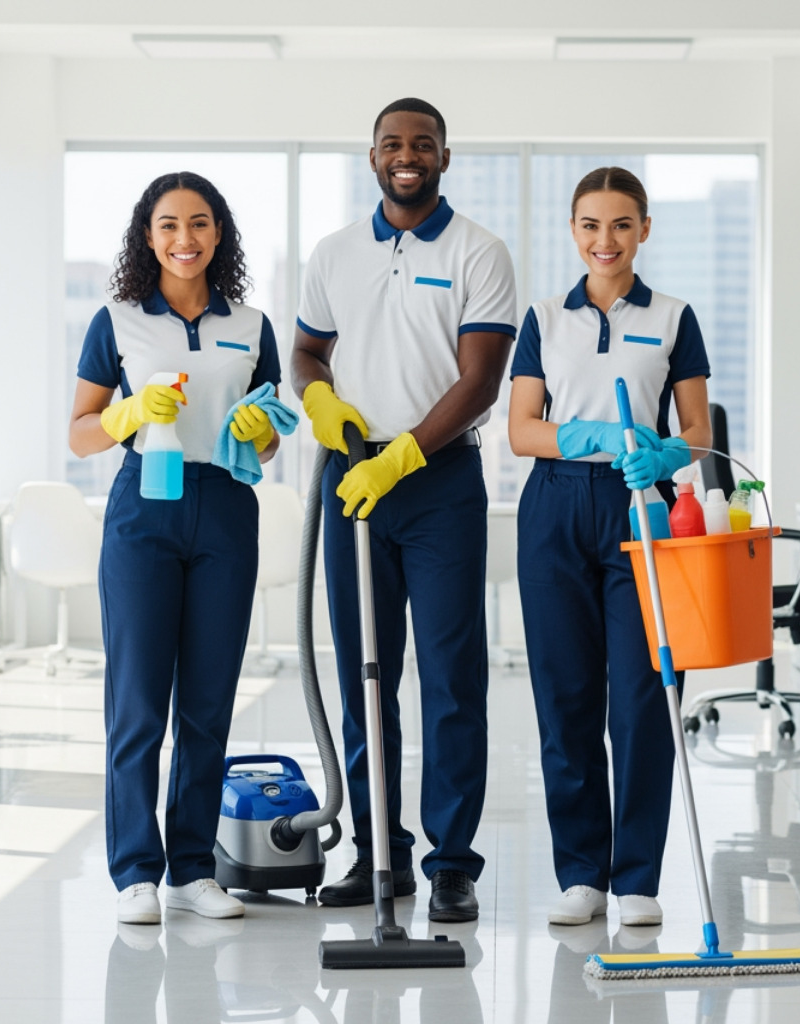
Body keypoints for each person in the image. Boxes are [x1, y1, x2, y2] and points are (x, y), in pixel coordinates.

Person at [291, 98, 517, 922]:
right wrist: (320, 402)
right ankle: (378, 853)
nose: (407, 155)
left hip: (440, 484)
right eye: (393, 143)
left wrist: (405, 455)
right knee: (364, 674)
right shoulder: (336, 252)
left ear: (445, 158)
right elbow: (307, 350)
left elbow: (481, 380)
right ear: (373, 156)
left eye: (422, 144)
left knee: (452, 678)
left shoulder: (478, 252)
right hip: (352, 479)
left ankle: (452, 862)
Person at [70, 172, 286, 924]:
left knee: (207, 701)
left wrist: (262, 430)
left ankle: (194, 868)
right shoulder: (118, 319)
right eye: (168, 226)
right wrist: (127, 413)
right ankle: (136, 868)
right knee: (137, 701)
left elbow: (268, 424)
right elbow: (79, 430)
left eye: (198, 224)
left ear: (219, 232)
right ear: (147, 235)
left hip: (226, 507)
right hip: (145, 508)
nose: (184, 239)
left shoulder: (253, 326)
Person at [506, 166, 712, 928]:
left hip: (641, 510)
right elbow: (522, 428)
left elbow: (699, 433)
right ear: (573, 231)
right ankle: (581, 874)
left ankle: (636, 879)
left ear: (645, 230)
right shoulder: (543, 318)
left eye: (621, 225)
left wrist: (665, 456)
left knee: (643, 698)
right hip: (556, 505)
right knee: (566, 700)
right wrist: (584, 434)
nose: (606, 240)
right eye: (591, 225)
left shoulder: (673, 316)